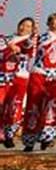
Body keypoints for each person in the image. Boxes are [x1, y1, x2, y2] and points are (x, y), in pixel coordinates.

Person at [21, 11, 56, 152]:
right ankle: (30, 138)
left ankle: (47, 136)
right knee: (33, 105)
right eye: (55, 19)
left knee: (51, 105)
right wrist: (30, 40)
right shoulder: (40, 38)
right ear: (49, 22)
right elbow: (26, 50)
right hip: (39, 74)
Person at [0, 17, 35, 148]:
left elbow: (28, 48)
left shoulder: (31, 42)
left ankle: (9, 134)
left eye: (28, 26)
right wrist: (9, 46)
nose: (24, 28)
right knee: (1, 104)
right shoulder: (7, 39)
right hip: (4, 76)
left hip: (21, 77)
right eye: (22, 25)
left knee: (14, 107)